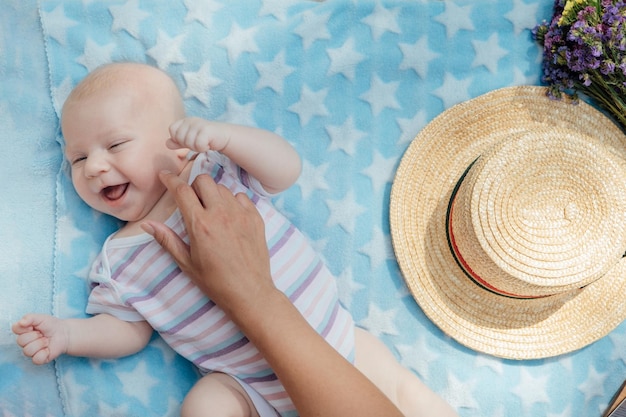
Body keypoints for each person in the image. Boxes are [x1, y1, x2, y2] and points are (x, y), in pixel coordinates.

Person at [12, 62, 457, 417]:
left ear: (179, 142)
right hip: (247, 389)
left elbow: (285, 170)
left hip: (334, 342)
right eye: (78, 158)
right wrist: (69, 335)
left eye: (115, 144)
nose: (93, 167)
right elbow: (127, 330)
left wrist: (227, 138)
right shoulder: (118, 259)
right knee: (204, 405)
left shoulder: (218, 173)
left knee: (407, 394)